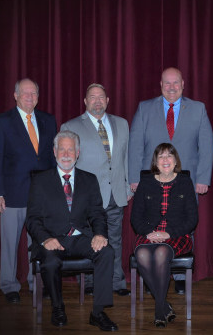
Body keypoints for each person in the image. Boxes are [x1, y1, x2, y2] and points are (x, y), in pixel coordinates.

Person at [128, 67, 213, 294]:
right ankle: (150, 273)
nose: (172, 87)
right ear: (160, 85)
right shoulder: (145, 108)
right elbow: (135, 145)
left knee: (183, 223)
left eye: (176, 83)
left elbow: (206, 146)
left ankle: (179, 276)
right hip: (151, 180)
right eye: (167, 83)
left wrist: (203, 178)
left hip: (186, 180)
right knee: (151, 220)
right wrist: (134, 178)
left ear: (183, 84)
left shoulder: (198, 109)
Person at [25, 131, 118, 331]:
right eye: (62, 149)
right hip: (52, 239)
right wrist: (45, 239)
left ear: (78, 153)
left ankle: (98, 312)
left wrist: (100, 235)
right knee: (50, 261)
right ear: (54, 151)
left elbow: (97, 214)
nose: (66, 153)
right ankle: (57, 307)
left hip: (79, 237)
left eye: (71, 149)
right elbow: (32, 219)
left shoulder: (89, 179)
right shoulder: (40, 181)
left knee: (107, 252)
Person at [0, 78, 57, 303]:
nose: (30, 97)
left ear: (38, 97)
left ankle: (35, 282)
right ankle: (9, 286)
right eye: (25, 93)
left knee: (38, 242)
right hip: (12, 195)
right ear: (15, 96)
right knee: (10, 242)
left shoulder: (48, 120)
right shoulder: (2, 122)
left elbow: (51, 159)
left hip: (41, 195)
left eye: (34, 93)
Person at [61, 83, 131, 297]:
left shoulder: (122, 124)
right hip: (87, 197)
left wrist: (128, 185)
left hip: (115, 193)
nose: (97, 101)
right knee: (90, 239)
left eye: (101, 97)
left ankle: (117, 281)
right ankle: (91, 281)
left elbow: (125, 157)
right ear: (85, 101)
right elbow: (65, 163)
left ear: (108, 100)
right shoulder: (70, 126)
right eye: (92, 97)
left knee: (115, 239)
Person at [130, 143, 198, 328]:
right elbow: (135, 218)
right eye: (161, 156)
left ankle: (159, 309)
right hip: (149, 234)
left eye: (170, 156)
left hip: (177, 235)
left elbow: (192, 219)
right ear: (155, 162)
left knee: (161, 253)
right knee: (142, 254)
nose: (165, 160)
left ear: (176, 160)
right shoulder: (146, 182)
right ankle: (163, 305)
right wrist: (149, 233)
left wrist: (168, 233)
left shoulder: (184, 182)